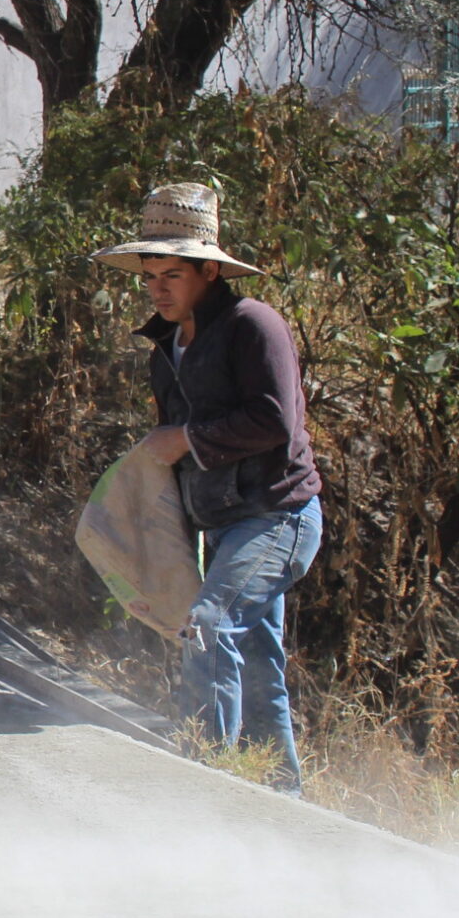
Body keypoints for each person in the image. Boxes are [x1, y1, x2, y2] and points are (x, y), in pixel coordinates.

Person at [95, 182, 323, 791]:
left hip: (277, 516)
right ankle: (281, 799)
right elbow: (171, 453)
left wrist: (188, 438)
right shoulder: (165, 346)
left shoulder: (255, 325)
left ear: (208, 272)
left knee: (209, 625)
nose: (157, 288)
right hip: (219, 523)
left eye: (171, 274)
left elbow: (278, 420)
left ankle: (206, 791)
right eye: (149, 275)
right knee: (255, 662)